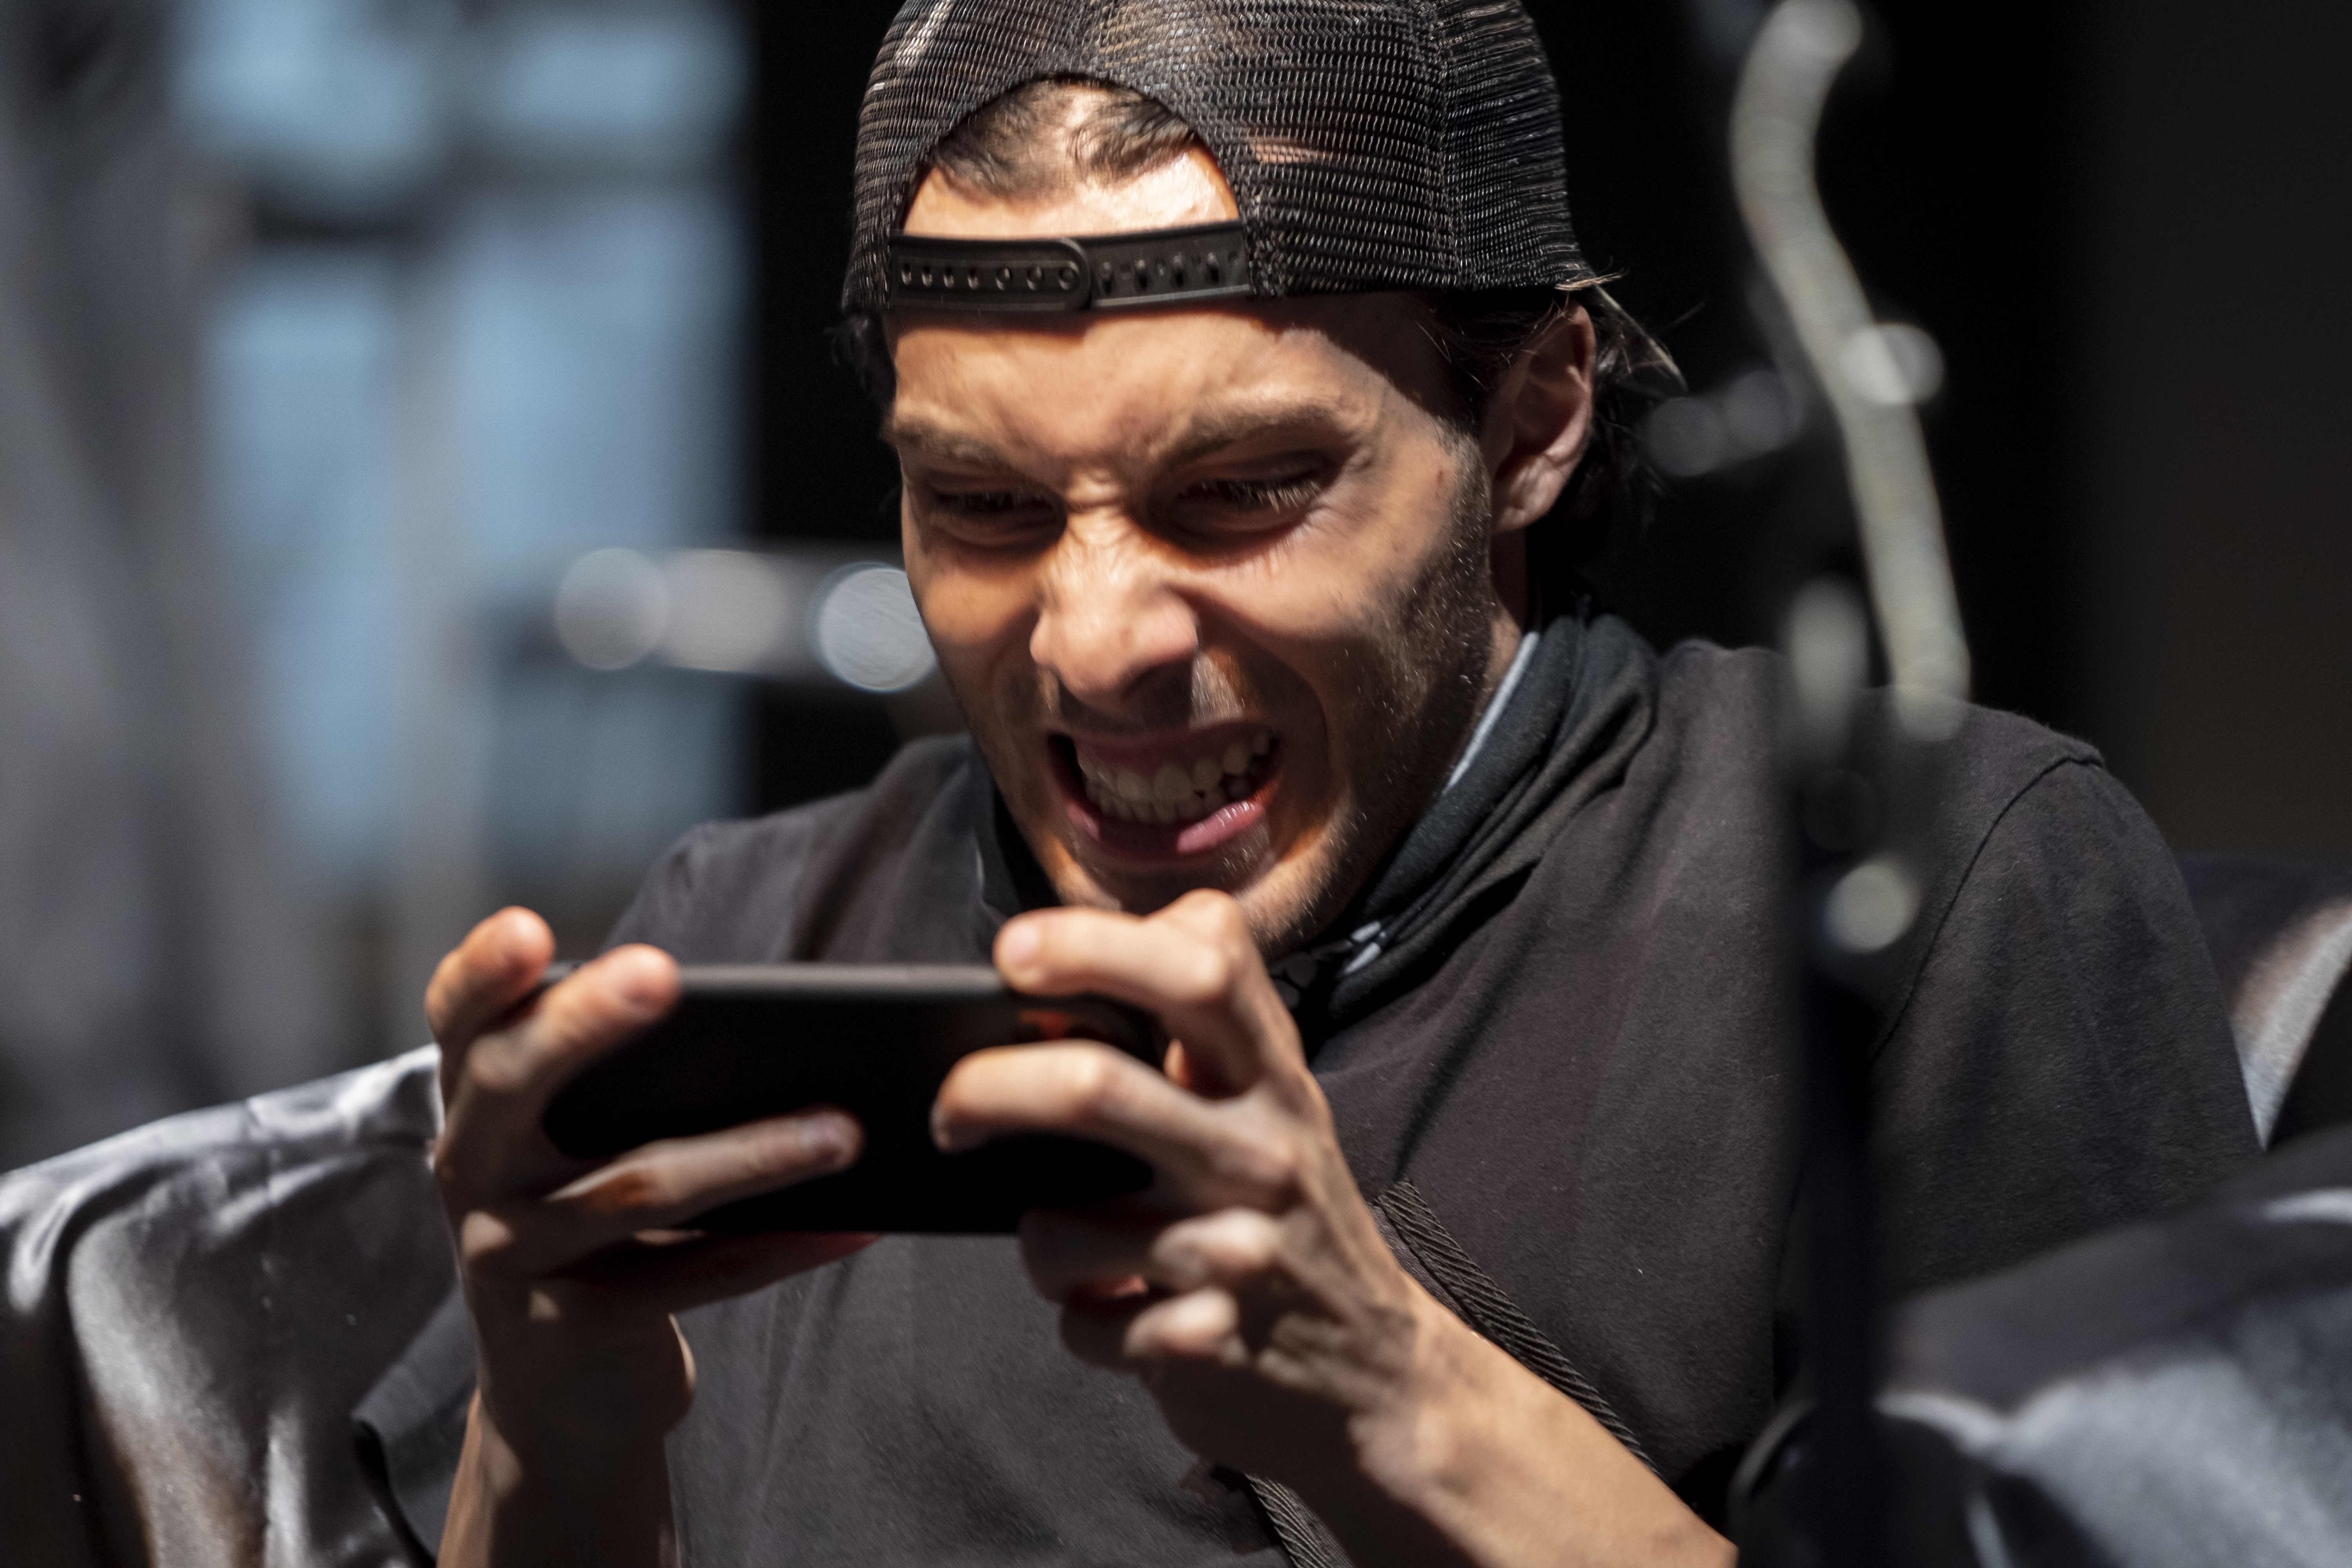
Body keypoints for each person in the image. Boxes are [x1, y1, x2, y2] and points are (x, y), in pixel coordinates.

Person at [0, 4, 2257, 1566]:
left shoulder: (1918, 901)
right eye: (984, 508)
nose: (1092, 642)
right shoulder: (760, 936)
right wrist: (557, 1440)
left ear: (1535, 422)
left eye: (1243, 490)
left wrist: (1391, 1400)